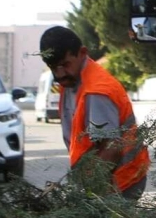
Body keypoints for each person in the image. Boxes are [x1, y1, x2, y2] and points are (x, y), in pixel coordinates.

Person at [39, 25, 150, 200]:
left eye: (65, 65)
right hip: (107, 181)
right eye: (53, 67)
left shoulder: (96, 92)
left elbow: (110, 148)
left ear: (82, 52)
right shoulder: (72, 80)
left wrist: (90, 192)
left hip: (119, 183)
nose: (59, 75)